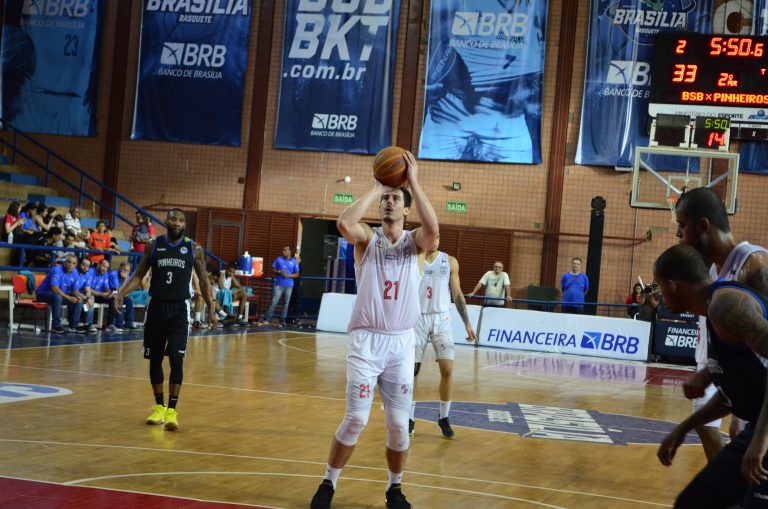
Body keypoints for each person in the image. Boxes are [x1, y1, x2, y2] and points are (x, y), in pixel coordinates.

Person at [310, 151, 438, 509]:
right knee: (356, 418)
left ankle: (394, 490)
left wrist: (413, 181)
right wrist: (377, 187)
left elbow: (433, 231)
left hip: (401, 345)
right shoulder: (367, 239)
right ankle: (328, 483)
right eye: (385, 199)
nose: (389, 202)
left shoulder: (415, 244)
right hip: (366, 342)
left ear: (407, 209)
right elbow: (344, 224)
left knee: (398, 425)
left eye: (395, 199)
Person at [653, 244, 768, 509]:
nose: (659, 295)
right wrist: (683, 428)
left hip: (763, 432)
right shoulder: (713, 312)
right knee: (693, 502)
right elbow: (734, 393)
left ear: (673, 285)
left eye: (659, 286)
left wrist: (761, 439)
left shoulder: (725, 305)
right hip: (758, 426)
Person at [675, 187, 768, 461]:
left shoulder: (756, 267)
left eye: (681, 226)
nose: (678, 234)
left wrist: (752, 424)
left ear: (703, 226)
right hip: (736, 379)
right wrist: (708, 375)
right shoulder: (717, 270)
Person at [114, 209, 216, 432]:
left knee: (176, 359)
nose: (176, 223)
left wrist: (211, 308)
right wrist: (121, 293)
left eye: (180, 220)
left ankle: (172, 410)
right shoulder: (153, 245)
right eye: (173, 219)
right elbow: (139, 275)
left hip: (179, 310)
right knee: (155, 358)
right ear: (166, 221)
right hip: (156, 308)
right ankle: (159, 407)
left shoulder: (194, 248)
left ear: (185, 224)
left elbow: (204, 280)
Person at [410, 235, 476, 439]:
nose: (435, 241)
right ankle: (409, 418)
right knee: (412, 371)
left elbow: (457, 294)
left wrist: (467, 323)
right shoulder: (414, 260)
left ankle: (444, 417)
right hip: (417, 318)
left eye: (438, 237)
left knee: (447, 369)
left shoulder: (450, 262)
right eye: (432, 237)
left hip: (442, 318)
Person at [35, 253, 78, 334]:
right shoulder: (57, 270)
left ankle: (73, 325)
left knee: (78, 299)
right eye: (69, 262)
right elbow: (54, 289)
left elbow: (75, 289)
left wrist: (77, 296)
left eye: (73, 263)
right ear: (64, 262)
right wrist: (69, 298)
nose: (70, 265)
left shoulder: (75, 272)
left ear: (76, 265)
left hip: (60, 295)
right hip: (43, 294)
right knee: (57, 297)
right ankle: (56, 325)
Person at [260, 246, 300, 327]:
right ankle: (267, 318)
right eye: (283, 250)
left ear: (290, 252)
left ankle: (282, 319)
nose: (283, 252)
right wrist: (279, 271)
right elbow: (273, 269)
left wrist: (288, 276)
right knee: (274, 301)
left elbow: (297, 274)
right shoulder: (279, 259)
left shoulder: (294, 262)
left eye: (285, 250)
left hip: (289, 285)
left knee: (286, 303)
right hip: (279, 284)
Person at [108, 262, 135, 332]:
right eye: (124, 269)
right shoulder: (113, 275)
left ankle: (129, 324)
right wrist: (125, 280)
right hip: (109, 294)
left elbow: (127, 290)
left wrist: (124, 294)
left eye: (127, 270)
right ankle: (118, 325)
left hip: (118, 294)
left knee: (129, 300)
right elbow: (117, 291)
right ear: (119, 268)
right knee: (119, 299)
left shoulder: (127, 276)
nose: (125, 272)